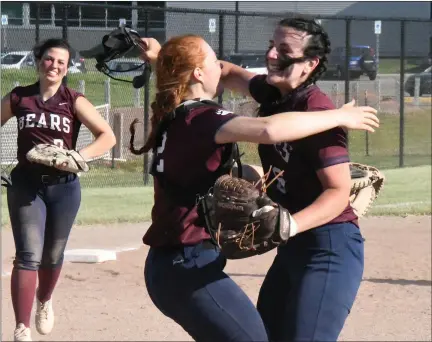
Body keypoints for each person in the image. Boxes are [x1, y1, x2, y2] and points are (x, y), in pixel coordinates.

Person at [136, 33, 378, 342]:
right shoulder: (202, 118)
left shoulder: (177, 116)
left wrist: (163, 60)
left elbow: (217, 178)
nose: (220, 67)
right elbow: (269, 129)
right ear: (197, 73)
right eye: (213, 62)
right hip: (187, 263)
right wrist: (341, 116)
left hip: (172, 266)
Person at [1, 38, 116, 341]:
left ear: (67, 69)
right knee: (28, 254)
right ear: (39, 61)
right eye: (49, 59)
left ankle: (44, 299)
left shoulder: (73, 99)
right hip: (26, 185)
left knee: (52, 255)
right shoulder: (19, 98)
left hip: (64, 187)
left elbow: (107, 136)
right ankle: (21, 327)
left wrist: (79, 156)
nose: (53, 65)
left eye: (61, 62)